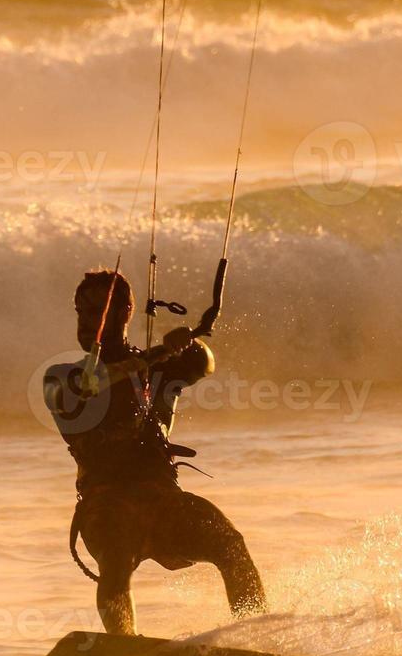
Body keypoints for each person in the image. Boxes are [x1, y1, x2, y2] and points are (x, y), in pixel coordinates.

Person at [43, 269, 267, 635]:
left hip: (163, 500)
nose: (87, 322)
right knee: (115, 558)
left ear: (125, 312)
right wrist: (157, 354)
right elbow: (93, 385)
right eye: (80, 312)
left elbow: (203, 363)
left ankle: (256, 638)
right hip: (105, 504)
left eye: (97, 311)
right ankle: (122, 646)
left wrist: (187, 341)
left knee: (229, 543)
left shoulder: (160, 370)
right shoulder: (62, 376)